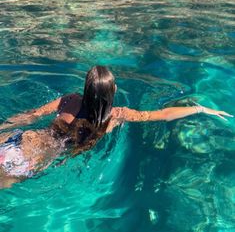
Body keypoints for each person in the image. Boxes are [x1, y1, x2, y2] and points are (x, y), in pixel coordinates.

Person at [0, 66, 232, 188]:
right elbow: (163, 114)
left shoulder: (69, 99)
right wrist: (201, 109)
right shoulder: (117, 116)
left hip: (20, 139)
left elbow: (30, 116)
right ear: (113, 91)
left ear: (86, 88)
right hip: (35, 160)